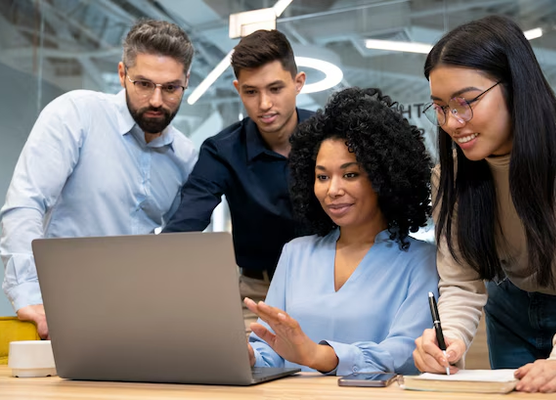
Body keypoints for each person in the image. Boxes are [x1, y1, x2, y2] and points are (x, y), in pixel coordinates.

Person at [0, 19, 197, 339]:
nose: (157, 100)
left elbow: (174, 248)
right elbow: (25, 203)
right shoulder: (75, 114)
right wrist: (30, 297)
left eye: (170, 87)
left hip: (139, 317)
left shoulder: (185, 157)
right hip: (60, 312)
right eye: (144, 84)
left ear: (186, 81)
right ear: (122, 74)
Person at [412, 15, 556, 393]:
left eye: (465, 103)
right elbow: (461, 282)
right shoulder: (449, 174)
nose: (452, 122)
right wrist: (446, 338)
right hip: (510, 309)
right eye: (440, 107)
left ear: (516, 87)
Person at [244, 87, 438, 375]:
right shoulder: (296, 253)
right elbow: (269, 348)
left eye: (350, 174)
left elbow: (405, 355)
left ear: (383, 177)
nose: (333, 190)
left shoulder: (421, 260)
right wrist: (246, 354)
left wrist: (318, 355)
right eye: (322, 176)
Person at [163, 30, 313, 331]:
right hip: (258, 295)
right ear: (237, 88)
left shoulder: (333, 136)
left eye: (275, 89)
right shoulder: (222, 151)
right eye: (251, 92)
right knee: (242, 367)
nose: (264, 104)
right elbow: (187, 221)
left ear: (298, 84)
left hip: (331, 286)